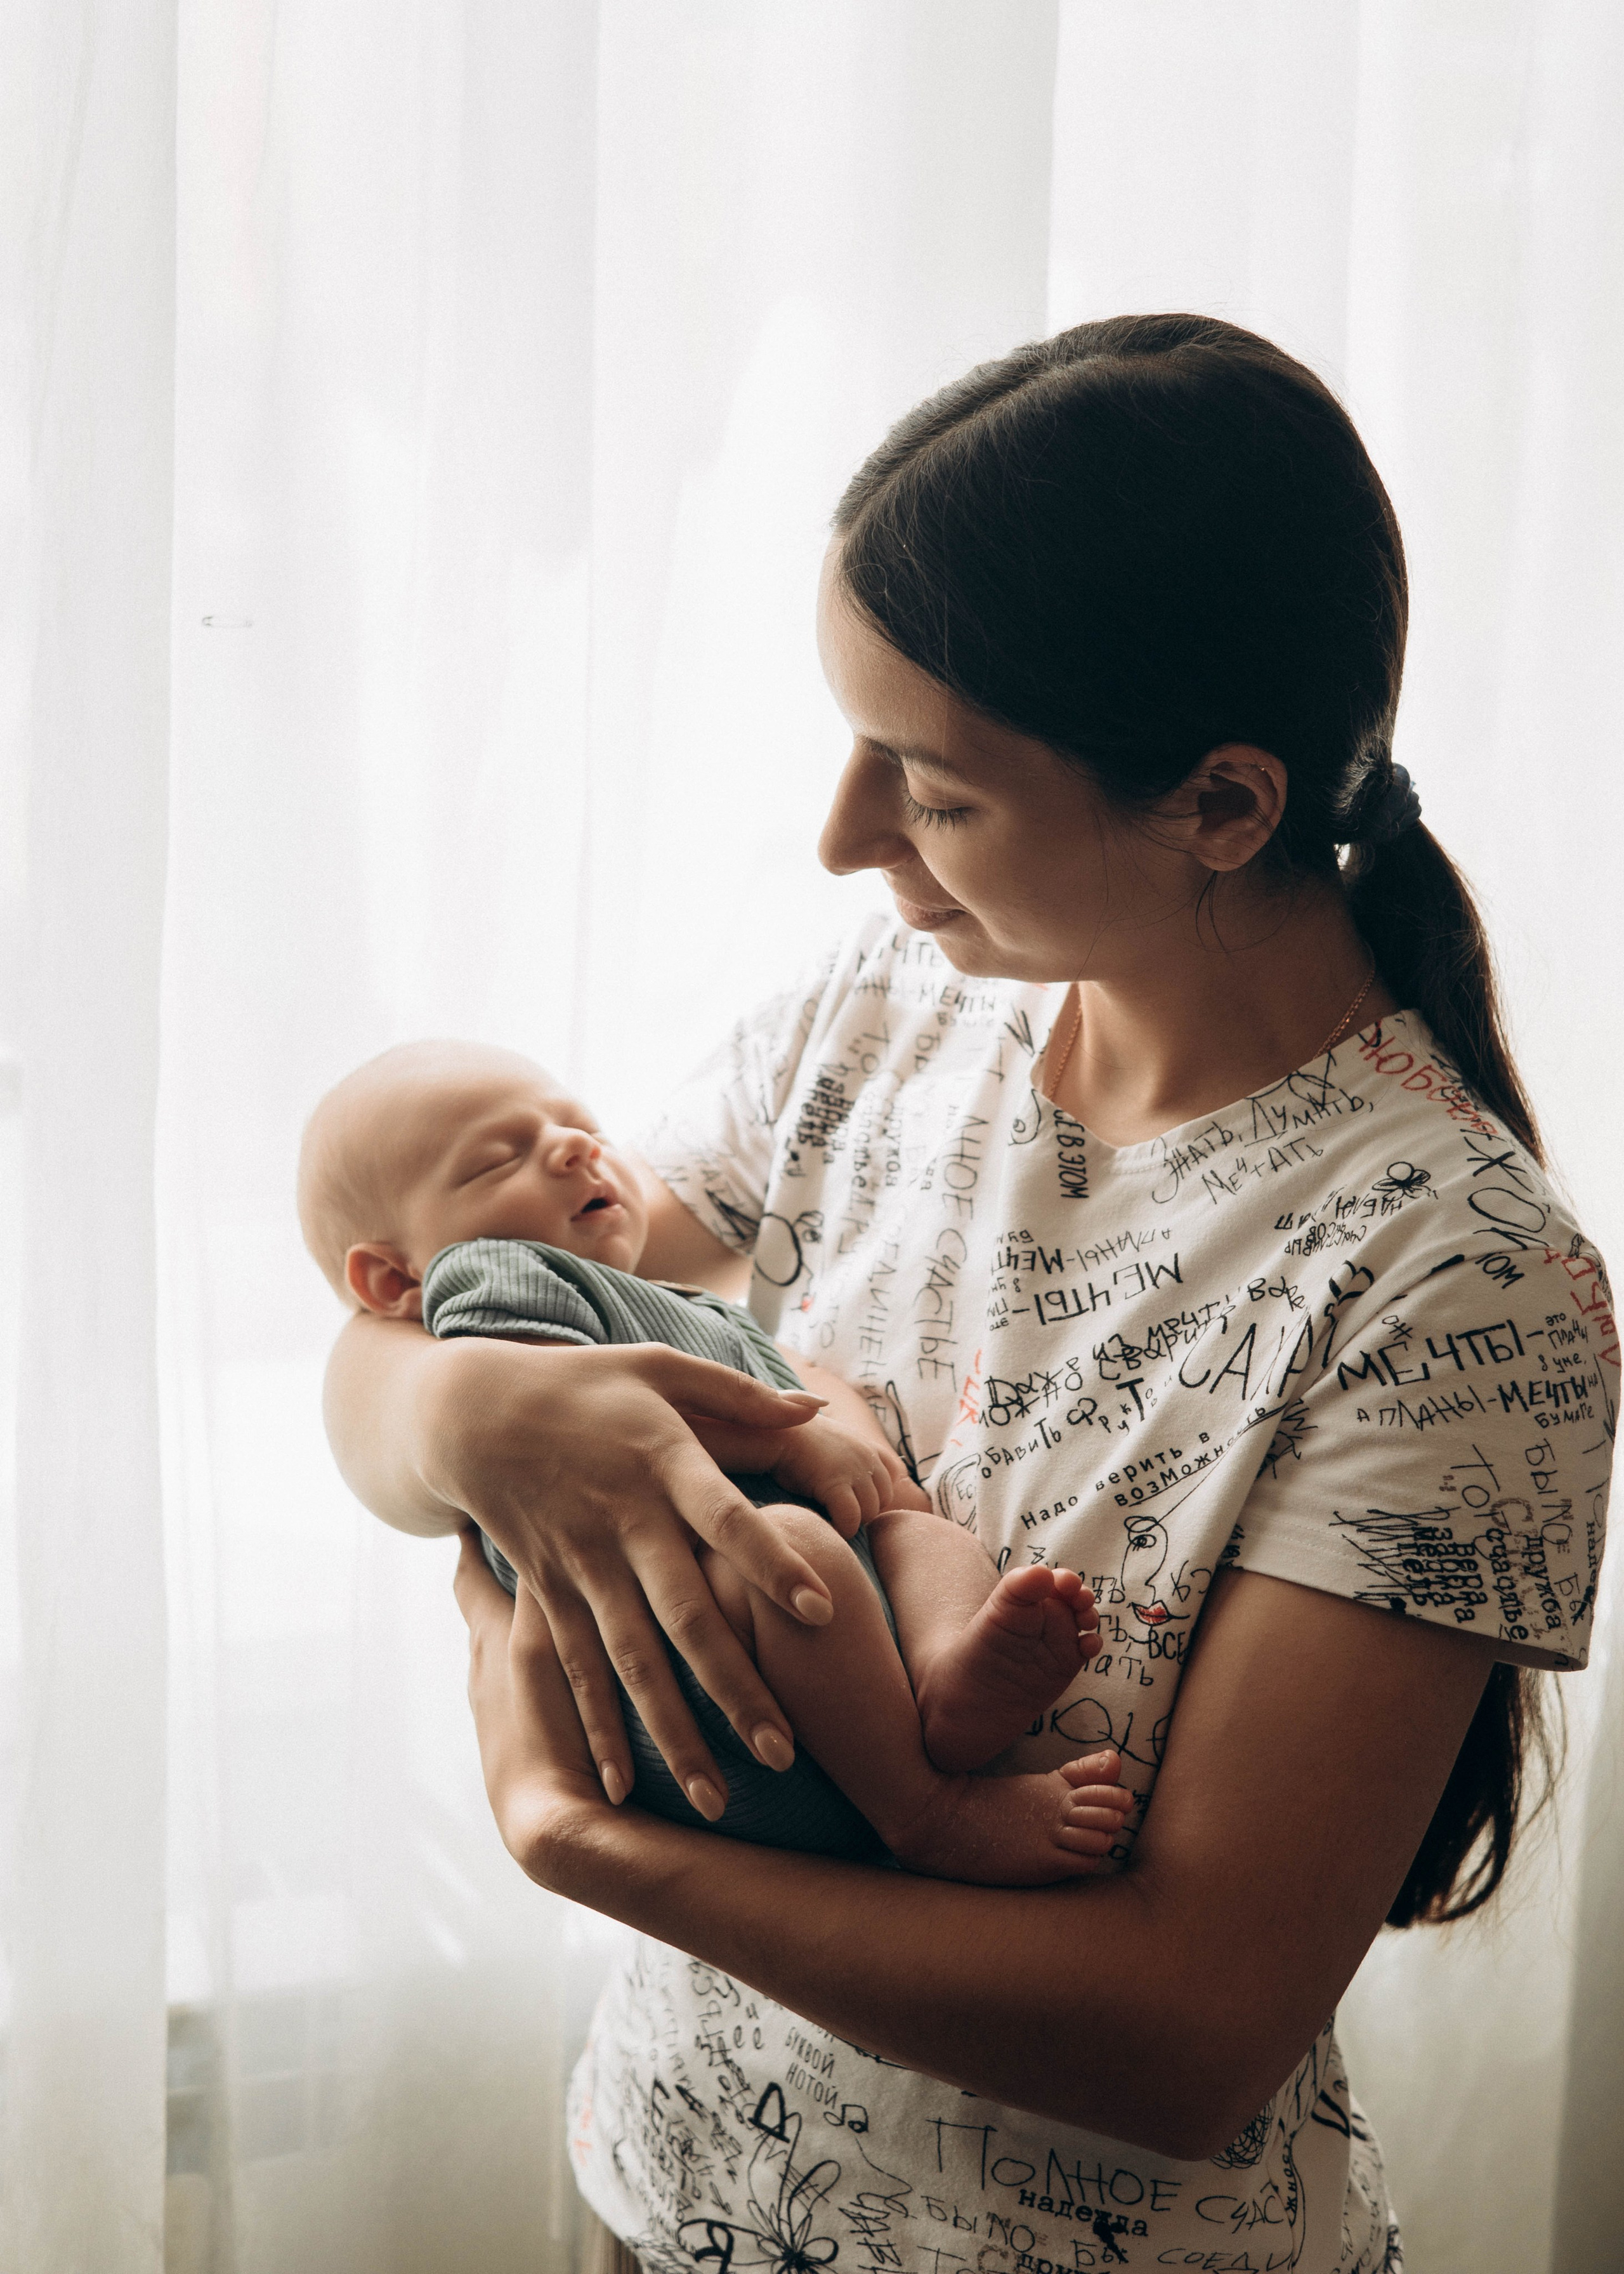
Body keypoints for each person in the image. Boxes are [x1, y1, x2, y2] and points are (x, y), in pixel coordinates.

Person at [322, 315, 1613, 2274]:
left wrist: (589, 1848)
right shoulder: (880, 1017)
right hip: (658, 2187)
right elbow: (450, 1304)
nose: (845, 840)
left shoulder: (1456, 1284)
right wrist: (456, 1416)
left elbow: (1183, 2039)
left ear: (1223, 806)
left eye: (925, 786)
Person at [297, 1041, 1134, 1879]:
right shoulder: (499, 1274)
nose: (572, 1147)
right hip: (685, 1660)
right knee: (797, 1554)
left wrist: (846, 1451)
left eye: (578, 1126)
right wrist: (795, 1442)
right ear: (390, 1278)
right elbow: (566, 1418)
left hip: (800, 1647)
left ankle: (943, 1676)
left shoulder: (692, 1307)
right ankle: (928, 1812)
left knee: (923, 1540)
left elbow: (781, 1404)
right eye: (497, 1160)